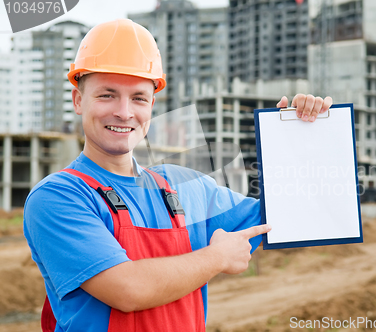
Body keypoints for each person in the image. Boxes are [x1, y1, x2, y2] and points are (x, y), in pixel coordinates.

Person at [23, 19, 333, 332]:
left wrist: (299, 136)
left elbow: (293, 214)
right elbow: (128, 289)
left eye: (139, 98)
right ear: (78, 100)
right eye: (107, 95)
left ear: (152, 106)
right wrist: (216, 258)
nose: (124, 112)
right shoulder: (58, 197)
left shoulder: (184, 187)